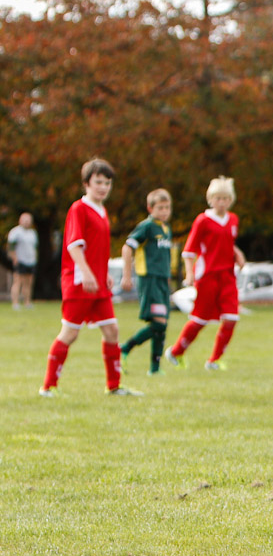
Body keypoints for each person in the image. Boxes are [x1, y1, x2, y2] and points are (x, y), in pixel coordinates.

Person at [40, 158, 141, 397]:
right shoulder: (79, 208)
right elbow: (74, 246)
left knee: (112, 330)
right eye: (98, 182)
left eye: (107, 183)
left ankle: (114, 386)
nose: (103, 187)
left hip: (98, 284)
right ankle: (48, 387)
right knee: (70, 333)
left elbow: (97, 249)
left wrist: (103, 273)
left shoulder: (102, 211)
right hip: (79, 282)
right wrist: (86, 273)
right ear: (86, 183)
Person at [165, 176, 246, 371]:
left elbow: (228, 242)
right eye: (218, 198)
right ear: (210, 199)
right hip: (207, 276)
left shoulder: (233, 220)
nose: (222, 202)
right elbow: (189, 250)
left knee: (231, 318)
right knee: (200, 320)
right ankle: (176, 352)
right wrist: (190, 274)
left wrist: (238, 254)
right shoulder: (203, 221)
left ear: (231, 200)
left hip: (227, 276)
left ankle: (214, 360)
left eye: (225, 198)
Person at [119, 189, 175, 375]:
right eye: (160, 208)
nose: (164, 211)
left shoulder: (166, 229)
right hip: (149, 279)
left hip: (162, 281)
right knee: (159, 323)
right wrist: (127, 276)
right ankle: (125, 348)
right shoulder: (147, 227)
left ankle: (155, 369)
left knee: (162, 325)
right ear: (150, 208)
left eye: (167, 207)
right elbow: (127, 248)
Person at [8, 212, 38, 310]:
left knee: (29, 283)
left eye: (28, 220)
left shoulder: (32, 233)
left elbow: (35, 248)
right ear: (20, 220)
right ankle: (15, 303)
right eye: (25, 219)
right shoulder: (16, 232)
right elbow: (11, 247)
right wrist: (14, 258)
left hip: (31, 261)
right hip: (20, 260)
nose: (26, 222)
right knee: (18, 281)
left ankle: (27, 302)